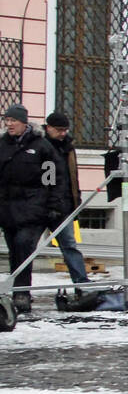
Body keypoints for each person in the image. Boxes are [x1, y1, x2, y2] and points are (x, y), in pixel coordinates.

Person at [0, 104, 58, 314]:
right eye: (6, 120)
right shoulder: (3, 145)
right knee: (14, 250)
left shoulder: (41, 147)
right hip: (7, 210)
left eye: (13, 120)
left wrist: (51, 205)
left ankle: (22, 293)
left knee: (24, 246)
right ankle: (17, 290)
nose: (9, 124)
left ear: (24, 122)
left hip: (33, 208)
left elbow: (51, 179)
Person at [43, 111, 91, 291]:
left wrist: (75, 201)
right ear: (48, 128)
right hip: (41, 206)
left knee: (70, 245)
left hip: (65, 206)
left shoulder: (68, 147)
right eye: (59, 130)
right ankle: (22, 288)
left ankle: (81, 283)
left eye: (65, 130)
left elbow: (72, 177)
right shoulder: (42, 146)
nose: (62, 133)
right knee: (28, 249)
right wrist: (48, 203)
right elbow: (46, 180)